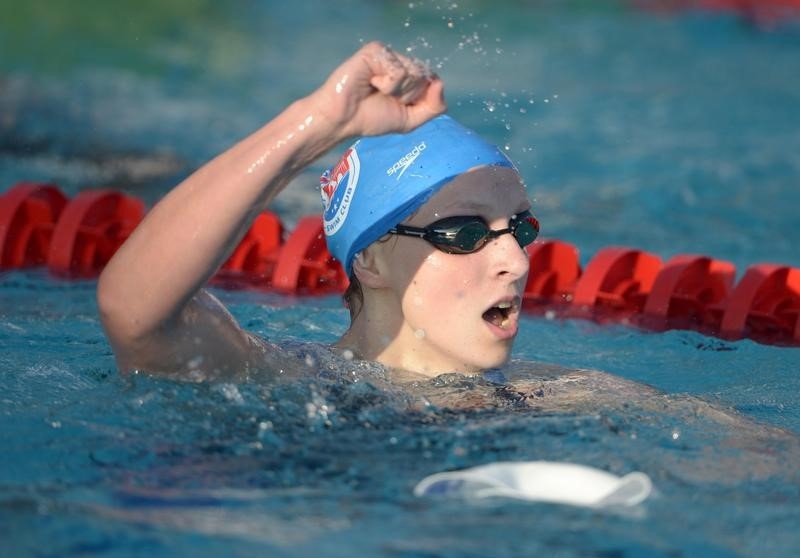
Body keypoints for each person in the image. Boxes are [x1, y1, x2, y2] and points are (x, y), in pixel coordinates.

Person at [97, 41, 533, 383]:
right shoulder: (285, 381)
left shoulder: (560, 396)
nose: (515, 261)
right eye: (465, 233)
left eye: (521, 229)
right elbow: (133, 314)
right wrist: (318, 123)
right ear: (370, 259)